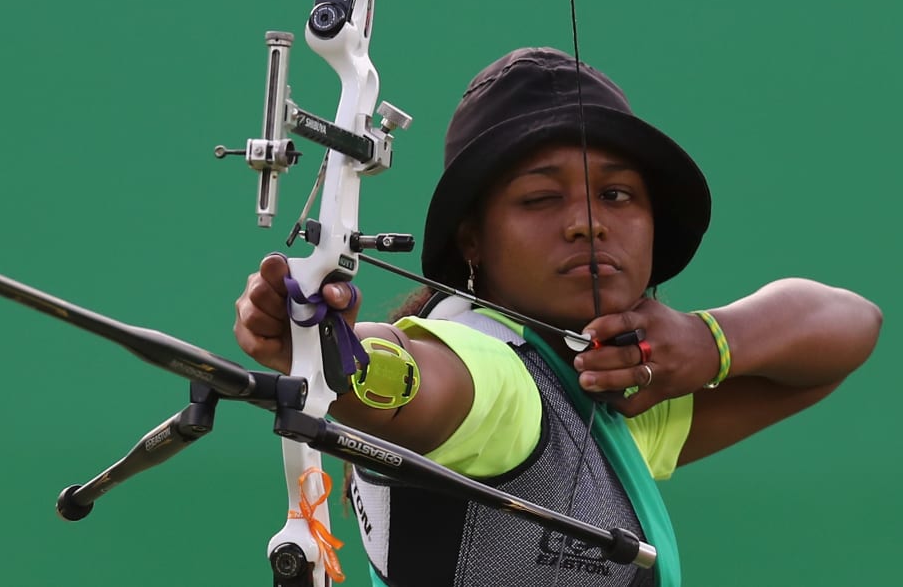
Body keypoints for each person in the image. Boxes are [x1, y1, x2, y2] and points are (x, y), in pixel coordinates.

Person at [233, 48, 882, 586]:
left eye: (618, 194)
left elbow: (851, 326)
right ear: (473, 240)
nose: (587, 223)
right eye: (540, 198)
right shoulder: (496, 375)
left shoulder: (612, 392)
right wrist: (330, 346)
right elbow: (410, 379)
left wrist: (711, 343)